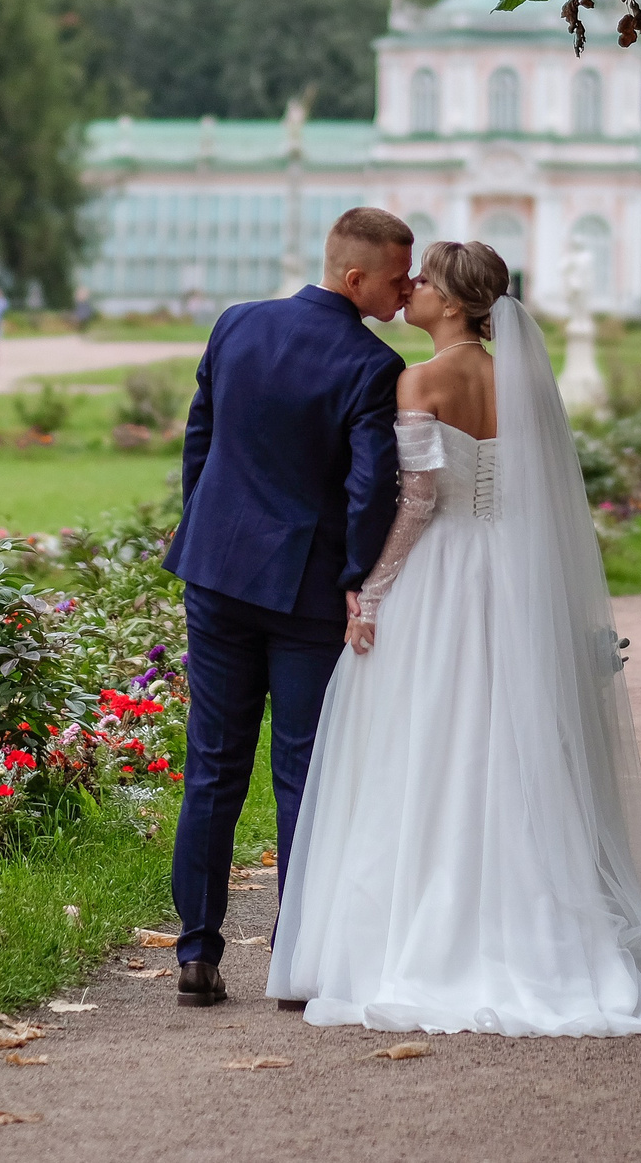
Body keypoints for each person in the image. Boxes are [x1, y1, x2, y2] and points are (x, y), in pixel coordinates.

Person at [269, 239, 641, 1036]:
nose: (412, 287)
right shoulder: (520, 379)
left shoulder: (419, 379)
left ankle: (428, 926)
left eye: (424, 280)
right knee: (510, 738)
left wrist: (373, 591)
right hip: (510, 576)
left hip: (441, 574)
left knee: (430, 739)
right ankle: (529, 912)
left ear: (453, 303)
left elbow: (420, 501)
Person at [164, 207, 414, 1009]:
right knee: (302, 772)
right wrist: (355, 575)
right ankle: (294, 954)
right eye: (397, 276)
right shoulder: (374, 365)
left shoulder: (236, 325)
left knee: (212, 765)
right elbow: (371, 487)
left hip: (217, 573)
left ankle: (196, 954)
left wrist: (207, 532)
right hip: (306, 591)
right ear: (355, 278)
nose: (407, 289)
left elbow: (198, 443)